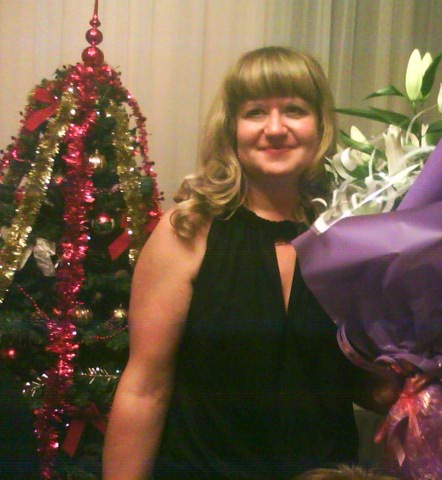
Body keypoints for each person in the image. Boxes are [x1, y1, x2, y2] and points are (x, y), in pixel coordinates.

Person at [102, 46, 402, 479]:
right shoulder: (187, 232)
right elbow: (144, 389)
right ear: (231, 127)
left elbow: (346, 381)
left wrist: (404, 382)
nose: (275, 129)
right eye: (255, 112)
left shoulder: (351, 234)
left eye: (294, 110)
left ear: (320, 124)